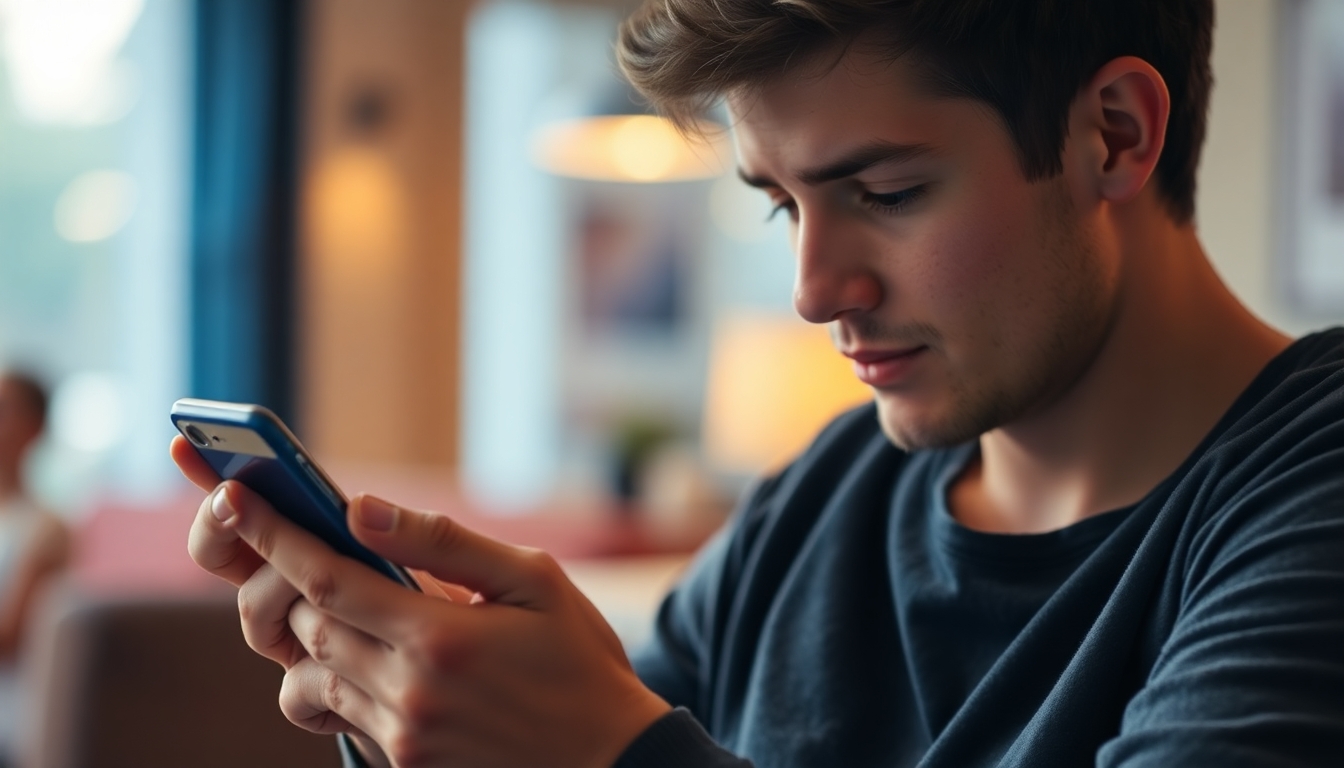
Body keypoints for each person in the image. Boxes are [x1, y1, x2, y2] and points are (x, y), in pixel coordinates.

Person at [172, 0, 1344, 765]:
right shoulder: (827, 495)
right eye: (783, 205)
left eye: (886, 194)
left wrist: (612, 753)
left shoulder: (1307, 498)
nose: (814, 290)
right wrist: (425, 713)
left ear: (1115, 133)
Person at [0, 371, 69, 765]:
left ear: (35, 428)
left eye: (3, 410)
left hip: (12, 722)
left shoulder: (46, 528)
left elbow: (13, 638)